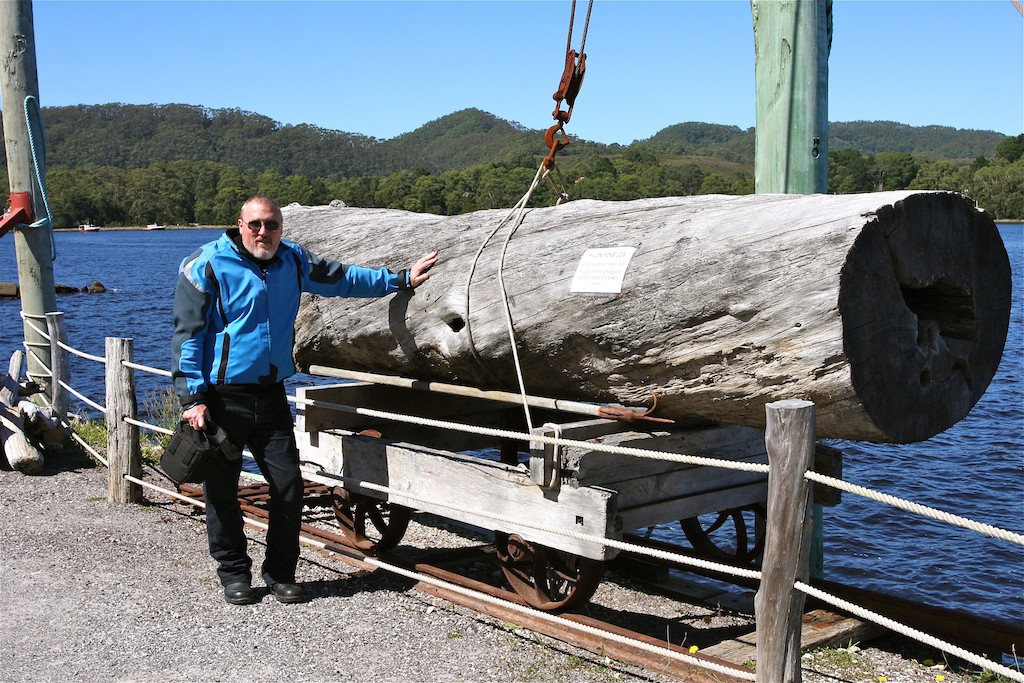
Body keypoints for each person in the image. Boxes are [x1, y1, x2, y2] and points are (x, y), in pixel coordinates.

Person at [171, 195, 438, 605]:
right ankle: (233, 573)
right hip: (222, 399)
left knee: (289, 487)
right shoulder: (206, 265)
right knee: (221, 490)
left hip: (271, 396)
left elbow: (343, 278)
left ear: (281, 226)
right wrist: (192, 399)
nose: (264, 232)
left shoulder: (292, 261)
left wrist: (400, 279)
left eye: (272, 225)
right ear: (240, 225)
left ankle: (280, 573)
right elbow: (188, 337)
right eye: (256, 224)